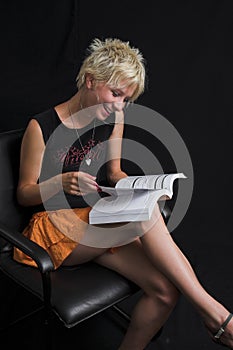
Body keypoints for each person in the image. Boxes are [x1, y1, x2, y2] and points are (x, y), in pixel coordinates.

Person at [13, 37, 233, 350]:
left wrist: (142, 188)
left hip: (96, 220)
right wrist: (59, 184)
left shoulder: (114, 117)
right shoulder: (42, 126)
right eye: (115, 93)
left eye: (126, 99)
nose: (119, 105)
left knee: (164, 292)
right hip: (54, 228)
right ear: (90, 80)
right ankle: (217, 315)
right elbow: (24, 193)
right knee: (145, 215)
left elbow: (115, 173)